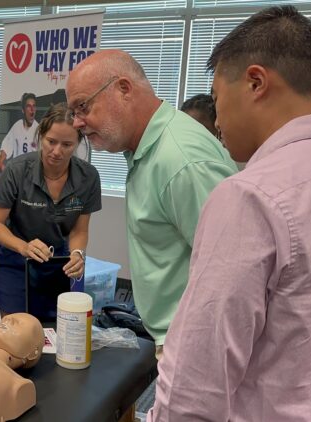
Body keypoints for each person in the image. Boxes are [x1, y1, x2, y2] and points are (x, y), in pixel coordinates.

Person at [149, 6, 311, 420]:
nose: (216, 120)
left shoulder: (249, 195)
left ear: (255, 82)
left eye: (216, 98)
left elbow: (196, 383)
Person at [66, 50, 237, 358]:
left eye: (83, 107)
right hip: (177, 339)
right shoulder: (148, 149)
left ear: (124, 89)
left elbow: (233, 276)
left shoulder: (182, 161)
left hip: (197, 347)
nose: (77, 122)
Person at [0, 102, 101, 316]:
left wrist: (77, 253)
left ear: (78, 143)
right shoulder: (16, 171)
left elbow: (79, 230)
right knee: (15, 333)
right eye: (51, 142)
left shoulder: (88, 177)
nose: (56, 151)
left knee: (52, 334)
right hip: (15, 262)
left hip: (56, 264)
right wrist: (23, 246)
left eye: (66, 145)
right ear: (40, 137)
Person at [0, 92, 38, 172]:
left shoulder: (39, 130)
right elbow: (5, 148)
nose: (32, 110)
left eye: (34, 106)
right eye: (28, 106)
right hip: (17, 174)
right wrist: (1, 163)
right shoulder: (17, 126)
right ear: (23, 110)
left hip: (32, 176)